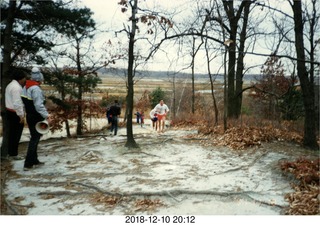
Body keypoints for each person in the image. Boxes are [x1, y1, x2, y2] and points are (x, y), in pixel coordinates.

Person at [21, 67, 50, 171]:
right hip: (36, 116)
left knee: (35, 137)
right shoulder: (36, 89)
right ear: (39, 79)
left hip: (30, 115)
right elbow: (38, 106)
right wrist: (47, 115)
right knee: (35, 139)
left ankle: (34, 160)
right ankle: (28, 163)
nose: (42, 82)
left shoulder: (26, 87)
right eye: (41, 80)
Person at [4, 68, 27, 160]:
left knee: (12, 134)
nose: (25, 80)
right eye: (24, 78)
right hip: (15, 113)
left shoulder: (10, 85)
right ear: (20, 78)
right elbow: (17, 103)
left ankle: (11, 153)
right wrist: (21, 116)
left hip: (10, 111)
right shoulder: (17, 88)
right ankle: (13, 154)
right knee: (16, 134)